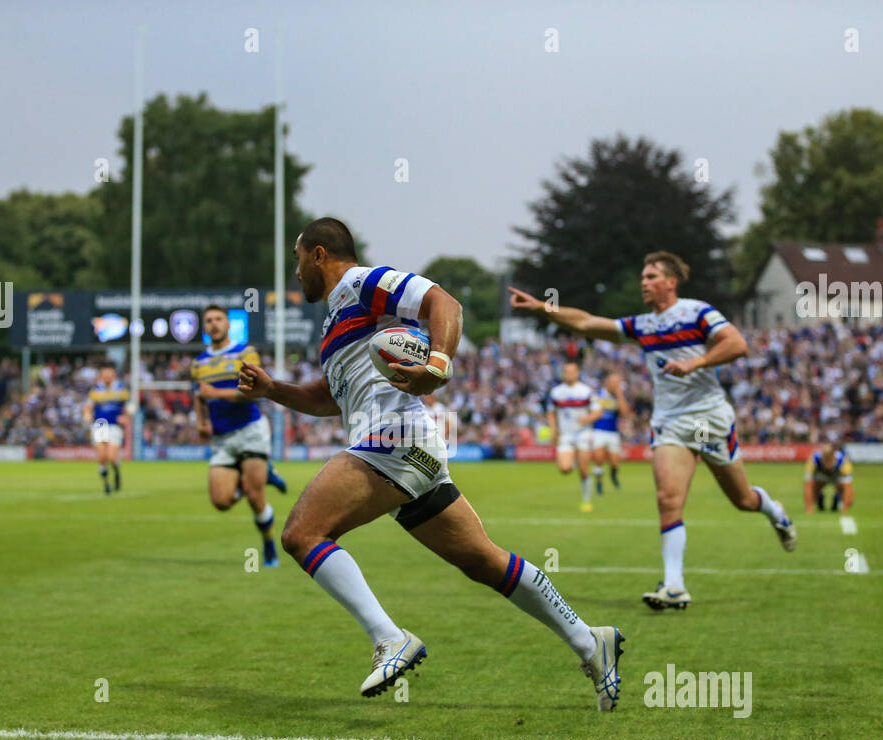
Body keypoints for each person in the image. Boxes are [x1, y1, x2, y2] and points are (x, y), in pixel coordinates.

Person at [238, 217, 623, 710]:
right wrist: (274, 390)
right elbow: (328, 398)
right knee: (482, 560)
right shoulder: (336, 323)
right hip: (404, 445)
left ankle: (388, 637)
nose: (295, 273)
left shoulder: (362, 282)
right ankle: (591, 642)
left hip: (392, 438)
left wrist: (438, 363)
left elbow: (444, 302)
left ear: (318, 254)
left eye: (296, 259)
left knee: (302, 534)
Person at [509, 251, 796, 612]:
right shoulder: (642, 325)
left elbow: (737, 344)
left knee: (742, 501)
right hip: (670, 422)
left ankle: (773, 510)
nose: (644, 282)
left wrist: (696, 362)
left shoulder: (697, 311)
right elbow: (586, 323)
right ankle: (674, 586)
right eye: (643, 277)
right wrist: (540, 307)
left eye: (651, 276)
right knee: (667, 500)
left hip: (708, 418)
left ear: (671, 282)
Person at [190, 304, 286, 568]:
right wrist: (201, 421)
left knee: (256, 497)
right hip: (222, 437)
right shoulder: (198, 363)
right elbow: (198, 394)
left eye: (218, 319)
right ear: (204, 326)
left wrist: (215, 394)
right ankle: (264, 474)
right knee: (221, 502)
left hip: (249, 431)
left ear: (228, 324)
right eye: (208, 320)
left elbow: (253, 390)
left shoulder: (245, 353)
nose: (214, 324)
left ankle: (268, 545)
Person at [548, 360, 601, 512]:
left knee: (584, 470)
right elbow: (551, 412)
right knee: (565, 468)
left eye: (571, 371)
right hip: (566, 435)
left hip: (583, 434)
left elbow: (598, 411)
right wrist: (553, 429)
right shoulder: (556, 392)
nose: (569, 374)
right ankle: (576, 460)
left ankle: (586, 500)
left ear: (577, 373)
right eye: (566, 372)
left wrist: (587, 419)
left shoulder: (586, 391)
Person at [82, 361, 128, 495]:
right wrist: (87, 414)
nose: (107, 377)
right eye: (105, 374)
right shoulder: (95, 391)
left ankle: (116, 470)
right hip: (101, 424)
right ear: (101, 376)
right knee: (102, 457)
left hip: (114, 425)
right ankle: (106, 484)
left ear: (113, 375)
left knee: (112, 457)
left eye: (110, 374)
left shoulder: (121, 389)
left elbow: (128, 408)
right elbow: (88, 407)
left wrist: (126, 417)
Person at [591, 370, 630, 493]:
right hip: (598, 430)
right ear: (608, 383)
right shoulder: (597, 395)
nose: (616, 385)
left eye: (618, 383)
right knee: (598, 459)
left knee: (614, 462)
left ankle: (613, 475)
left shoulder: (618, 396)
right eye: (615, 383)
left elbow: (625, 413)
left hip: (613, 432)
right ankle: (598, 482)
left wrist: (619, 395)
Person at [804, 442, 854, 512]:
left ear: (833, 458)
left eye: (829, 460)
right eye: (825, 460)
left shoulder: (843, 461)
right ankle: (819, 497)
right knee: (813, 486)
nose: (827, 464)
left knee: (849, 500)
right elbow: (808, 485)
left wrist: (845, 509)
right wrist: (809, 508)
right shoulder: (814, 460)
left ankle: (837, 498)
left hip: (837, 476)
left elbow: (848, 487)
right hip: (821, 476)